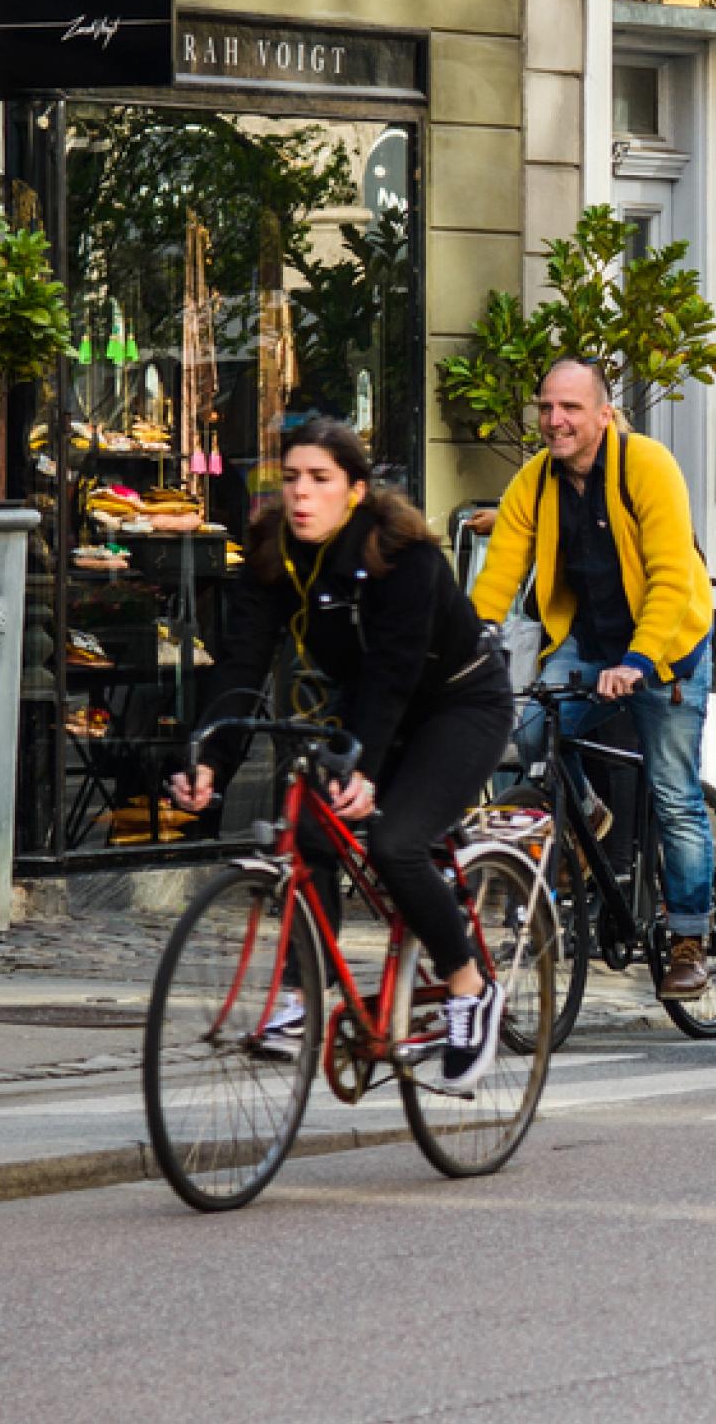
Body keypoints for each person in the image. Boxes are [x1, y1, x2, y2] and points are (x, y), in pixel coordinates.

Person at [172, 421, 514, 1093]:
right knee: (306, 830)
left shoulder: (402, 551)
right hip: (371, 708)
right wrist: (210, 755)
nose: (301, 494)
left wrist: (361, 765)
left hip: (456, 705)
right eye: (291, 478)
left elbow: (394, 669)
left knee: (396, 841)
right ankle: (307, 994)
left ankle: (469, 986)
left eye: (320, 479)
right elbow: (241, 660)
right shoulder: (275, 550)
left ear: (355, 490)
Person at [468, 358, 716, 1000]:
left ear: (603, 414)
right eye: (547, 407)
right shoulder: (536, 480)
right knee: (530, 734)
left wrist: (638, 663)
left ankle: (689, 937)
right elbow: (501, 571)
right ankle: (589, 813)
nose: (555, 420)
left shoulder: (648, 466)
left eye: (571, 408)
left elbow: (668, 575)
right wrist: (470, 639)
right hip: (589, 640)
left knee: (673, 792)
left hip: (667, 650)